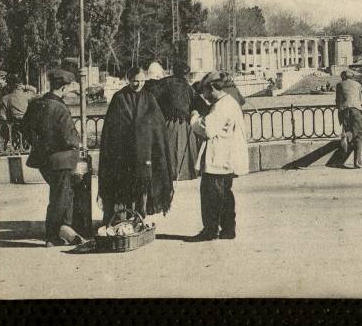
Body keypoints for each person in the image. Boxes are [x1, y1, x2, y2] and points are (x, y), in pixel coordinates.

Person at [98, 67, 174, 223]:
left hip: (145, 153)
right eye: (134, 81)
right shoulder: (119, 98)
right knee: (123, 186)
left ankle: (139, 217)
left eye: (141, 81)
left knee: (142, 186)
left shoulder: (150, 98)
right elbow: (111, 129)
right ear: (128, 79)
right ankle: (121, 218)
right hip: (123, 154)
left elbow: (158, 128)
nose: (138, 84)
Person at [20, 69, 85, 246]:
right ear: (64, 87)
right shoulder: (60, 108)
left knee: (63, 194)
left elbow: (24, 128)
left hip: (43, 160)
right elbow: (68, 138)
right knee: (59, 198)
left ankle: (66, 230)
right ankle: (52, 236)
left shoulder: (36, 104)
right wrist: (78, 143)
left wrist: (39, 144)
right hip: (61, 160)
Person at [189, 72, 249, 241]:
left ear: (213, 88)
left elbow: (206, 129)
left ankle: (210, 230)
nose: (205, 96)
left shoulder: (221, 107)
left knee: (211, 197)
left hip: (218, 158)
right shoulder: (230, 102)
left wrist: (194, 117)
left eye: (205, 91)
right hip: (227, 157)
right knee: (225, 196)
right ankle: (228, 230)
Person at [150, 61, 200, 181]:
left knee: (171, 148)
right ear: (185, 74)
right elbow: (194, 103)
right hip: (185, 123)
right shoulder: (187, 86)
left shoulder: (165, 83)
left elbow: (154, 97)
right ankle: (185, 172)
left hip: (170, 122)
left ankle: (171, 173)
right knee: (183, 147)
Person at [0, 73, 36, 152]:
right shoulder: (29, 95)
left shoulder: (5, 98)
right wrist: (26, 86)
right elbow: (35, 90)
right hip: (27, 123)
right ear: (21, 85)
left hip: (13, 124)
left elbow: (2, 116)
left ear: (10, 86)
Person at [335, 70, 362, 168]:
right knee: (359, 135)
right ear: (352, 77)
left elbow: (337, 100)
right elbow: (359, 99)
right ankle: (357, 161)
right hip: (356, 110)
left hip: (344, 110)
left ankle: (340, 160)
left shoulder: (339, 85)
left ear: (343, 77)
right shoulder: (358, 84)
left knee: (348, 133)